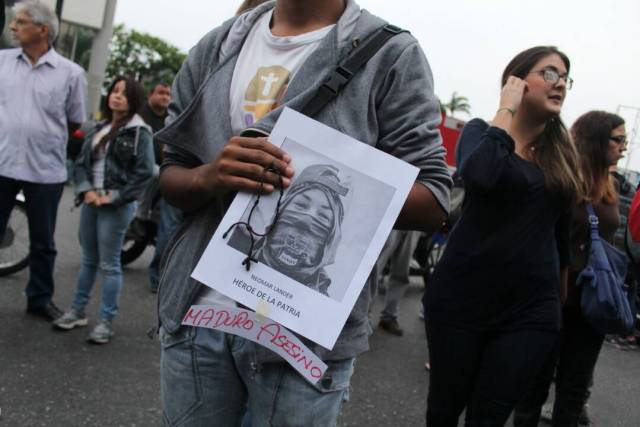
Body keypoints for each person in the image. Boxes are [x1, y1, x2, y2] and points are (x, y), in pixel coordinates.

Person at [155, 1, 451, 425]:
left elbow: (434, 198)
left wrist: (327, 183)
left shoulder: (391, 53)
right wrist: (210, 177)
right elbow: (172, 174)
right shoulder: (220, 44)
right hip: (197, 314)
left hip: (302, 336)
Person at [423, 46, 583, 426]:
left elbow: (560, 232)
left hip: (530, 311)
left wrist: (557, 304)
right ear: (517, 81)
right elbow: (478, 177)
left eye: (565, 78)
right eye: (549, 73)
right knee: (444, 411)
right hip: (461, 300)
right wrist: (506, 111)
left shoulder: (561, 152)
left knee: (489, 418)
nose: (560, 83)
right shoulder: (483, 132)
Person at [514, 111, 627, 427]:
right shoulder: (562, 180)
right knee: (534, 383)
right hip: (552, 294)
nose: (624, 146)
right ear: (595, 140)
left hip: (592, 302)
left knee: (574, 391)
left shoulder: (611, 185)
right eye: (618, 139)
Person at [0, 0, 87, 321]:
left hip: (45, 170)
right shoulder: (2, 62)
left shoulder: (71, 73)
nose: (13, 26)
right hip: (3, 163)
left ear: (42, 30)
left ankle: (39, 299)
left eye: (20, 22)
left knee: (43, 242)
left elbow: (75, 121)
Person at [53, 76, 155, 344]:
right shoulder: (100, 126)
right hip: (90, 201)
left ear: (133, 99)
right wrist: (86, 189)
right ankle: (77, 311)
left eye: (123, 93)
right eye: (114, 91)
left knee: (110, 265)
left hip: (115, 206)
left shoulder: (139, 132)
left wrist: (113, 197)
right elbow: (80, 163)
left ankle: (106, 322)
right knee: (88, 260)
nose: (116, 96)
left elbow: (144, 173)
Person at [227, 163, 350, 296]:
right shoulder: (232, 248)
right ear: (281, 208)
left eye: (323, 216)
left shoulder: (320, 307)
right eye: (301, 205)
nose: (306, 220)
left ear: (332, 237)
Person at [141, 82, 184, 294]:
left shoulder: (171, 114)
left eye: (168, 94)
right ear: (151, 94)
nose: (165, 97)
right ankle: (158, 277)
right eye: (161, 93)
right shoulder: (142, 116)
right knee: (169, 228)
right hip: (162, 172)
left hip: (177, 172)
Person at [375, 230, 422, 336]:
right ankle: (363, 316)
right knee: (375, 268)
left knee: (401, 272)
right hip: (392, 220)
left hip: (415, 223)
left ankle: (389, 316)